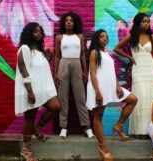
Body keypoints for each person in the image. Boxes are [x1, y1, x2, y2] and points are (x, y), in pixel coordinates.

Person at [87, 29, 137, 161]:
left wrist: (118, 85)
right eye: (102, 36)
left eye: (106, 37)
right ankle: (103, 148)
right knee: (98, 115)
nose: (104, 39)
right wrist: (97, 91)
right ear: (96, 38)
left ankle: (119, 125)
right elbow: (92, 73)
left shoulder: (106, 54)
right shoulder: (94, 53)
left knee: (132, 99)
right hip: (99, 87)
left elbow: (111, 72)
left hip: (112, 87)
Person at [15, 22, 61, 161]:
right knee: (29, 118)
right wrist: (30, 91)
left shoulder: (39, 51)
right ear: (29, 34)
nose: (39, 33)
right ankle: (26, 150)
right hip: (31, 89)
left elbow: (39, 69)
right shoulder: (24, 48)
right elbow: (24, 69)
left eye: (40, 31)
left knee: (56, 107)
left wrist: (47, 57)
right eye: (35, 31)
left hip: (42, 88)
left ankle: (37, 128)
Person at [114, 13, 153, 138]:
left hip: (150, 69)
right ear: (138, 23)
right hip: (138, 69)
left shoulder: (152, 36)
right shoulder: (132, 36)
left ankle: (148, 131)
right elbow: (116, 49)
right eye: (144, 21)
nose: (146, 24)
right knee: (139, 97)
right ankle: (138, 131)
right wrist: (130, 57)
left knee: (150, 98)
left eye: (148, 22)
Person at [54, 12, 94, 138]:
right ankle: (63, 127)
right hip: (63, 64)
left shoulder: (80, 37)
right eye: (66, 20)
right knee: (63, 97)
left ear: (75, 23)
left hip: (77, 64)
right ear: (64, 23)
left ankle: (87, 127)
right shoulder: (59, 37)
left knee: (80, 97)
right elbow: (56, 56)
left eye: (71, 20)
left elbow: (82, 54)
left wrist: (85, 70)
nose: (69, 22)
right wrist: (55, 73)